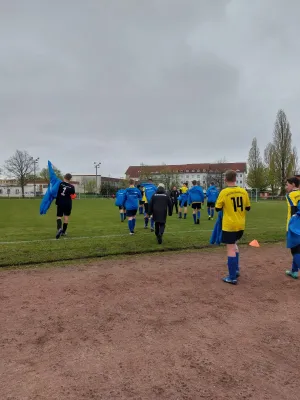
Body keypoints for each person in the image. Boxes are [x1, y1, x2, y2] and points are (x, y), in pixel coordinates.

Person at [215, 170, 251, 284]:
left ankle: (232, 277)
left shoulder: (224, 192)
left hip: (229, 225)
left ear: (225, 179)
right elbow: (248, 207)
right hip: (240, 224)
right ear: (236, 179)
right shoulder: (243, 191)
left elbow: (217, 208)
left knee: (230, 248)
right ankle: (235, 270)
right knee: (235, 245)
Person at [285, 177, 300, 279]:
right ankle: (294, 271)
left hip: (293, 226)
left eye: (287, 184)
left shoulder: (290, 195)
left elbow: (294, 210)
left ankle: (295, 270)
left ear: (293, 184)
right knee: (298, 249)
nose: (286, 187)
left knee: (294, 250)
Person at [55, 173, 76, 239]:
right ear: (70, 179)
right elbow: (73, 195)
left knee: (59, 216)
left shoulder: (60, 184)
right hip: (68, 203)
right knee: (66, 217)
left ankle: (59, 229)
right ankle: (63, 232)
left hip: (60, 202)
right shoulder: (72, 187)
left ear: (64, 177)